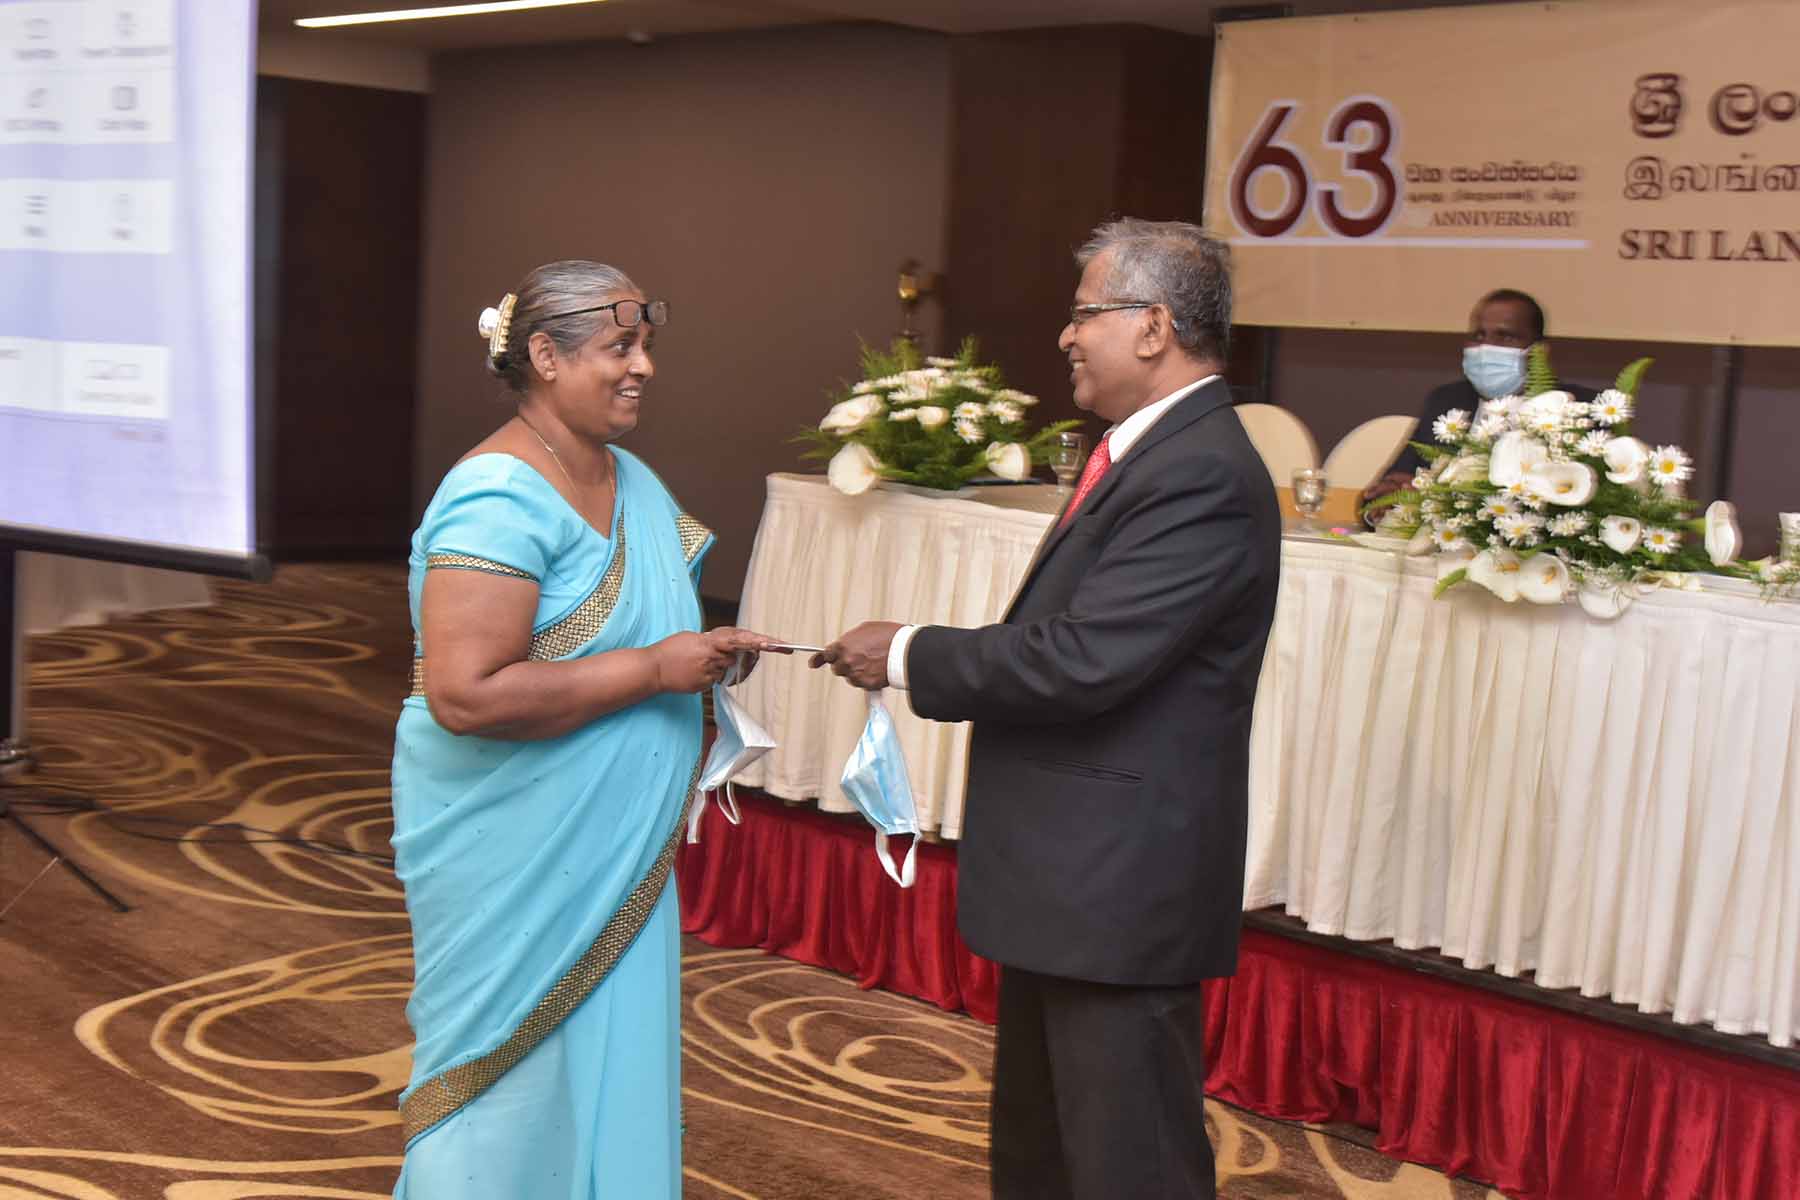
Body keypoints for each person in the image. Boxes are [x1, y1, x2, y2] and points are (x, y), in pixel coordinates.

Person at [812, 219, 1281, 1200]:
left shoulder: (1198, 469)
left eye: (1083, 315)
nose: (1066, 337)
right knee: (1048, 1152)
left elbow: (1084, 661)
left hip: (1120, 886)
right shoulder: (1145, 450)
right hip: (1078, 878)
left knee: (1128, 1165)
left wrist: (907, 652)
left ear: (1153, 326)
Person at [389, 260, 778, 1198]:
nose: (644, 367)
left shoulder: (630, 479)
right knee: (499, 1084)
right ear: (544, 356)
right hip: (512, 841)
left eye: (646, 345)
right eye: (620, 347)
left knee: (606, 1063)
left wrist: (700, 655)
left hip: (615, 853)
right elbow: (465, 696)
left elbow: (640, 632)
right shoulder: (498, 493)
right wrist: (655, 670)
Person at [1368, 287, 1596, 498]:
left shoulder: (1582, 410)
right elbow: (1382, 492)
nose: (1486, 347)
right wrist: (1387, 498)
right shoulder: (1446, 401)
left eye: (1505, 336)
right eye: (1478, 336)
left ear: (1540, 350)